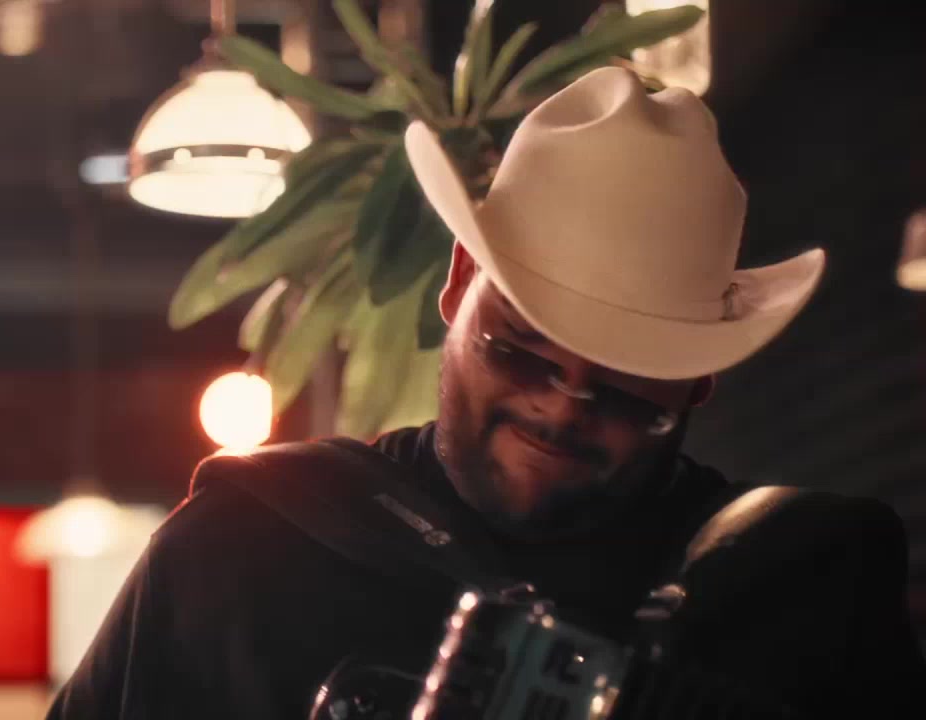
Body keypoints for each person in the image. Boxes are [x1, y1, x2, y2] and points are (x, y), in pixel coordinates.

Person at [46, 67, 926, 720]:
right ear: (459, 281)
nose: (562, 407)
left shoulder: (806, 588)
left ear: (701, 378)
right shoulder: (240, 548)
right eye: (521, 347)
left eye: (626, 385)